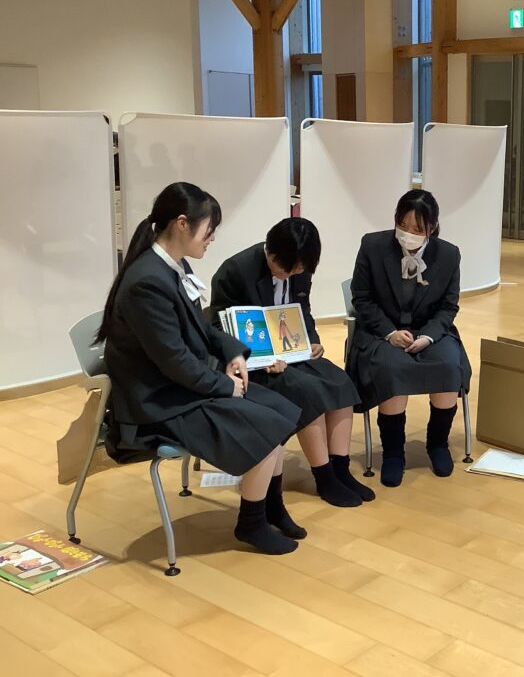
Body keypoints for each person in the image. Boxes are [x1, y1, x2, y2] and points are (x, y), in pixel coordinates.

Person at [99, 183, 303, 555]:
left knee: (282, 410)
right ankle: (252, 522)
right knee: (266, 424)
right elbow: (173, 360)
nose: (211, 238)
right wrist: (225, 386)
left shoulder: (173, 267)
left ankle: (270, 506)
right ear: (182, 224)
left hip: (178, 386)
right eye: (209, 229)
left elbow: (201, 328)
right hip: (157, 404)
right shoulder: (148, 282)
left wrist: (233, 353)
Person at [210, 217, 374, 508]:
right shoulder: (235, 271)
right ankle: (324, 476)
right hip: (253, 365)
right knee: (307, 392)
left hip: (291, 353)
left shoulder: (300, 268)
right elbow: (219, 328)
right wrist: (256, 358)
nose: (291, 274)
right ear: (271, 251)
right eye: (286, 268)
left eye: (299, 269)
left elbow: (303, 309)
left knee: (340, 381)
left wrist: (312, 339)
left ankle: (340, 469)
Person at [348, 190, 472, 488]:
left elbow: (448, 307)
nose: (408, 234)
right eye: (402, 225)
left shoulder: (448, 254)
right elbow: (362, 299)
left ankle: (437, 443)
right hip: (382, 332)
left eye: (417, 229)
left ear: (433, 227)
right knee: (392, 368)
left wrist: (429, 336)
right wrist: (389, 332)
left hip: (430, 331)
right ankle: (393, 453)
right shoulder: (372, 246)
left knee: (447, 364)